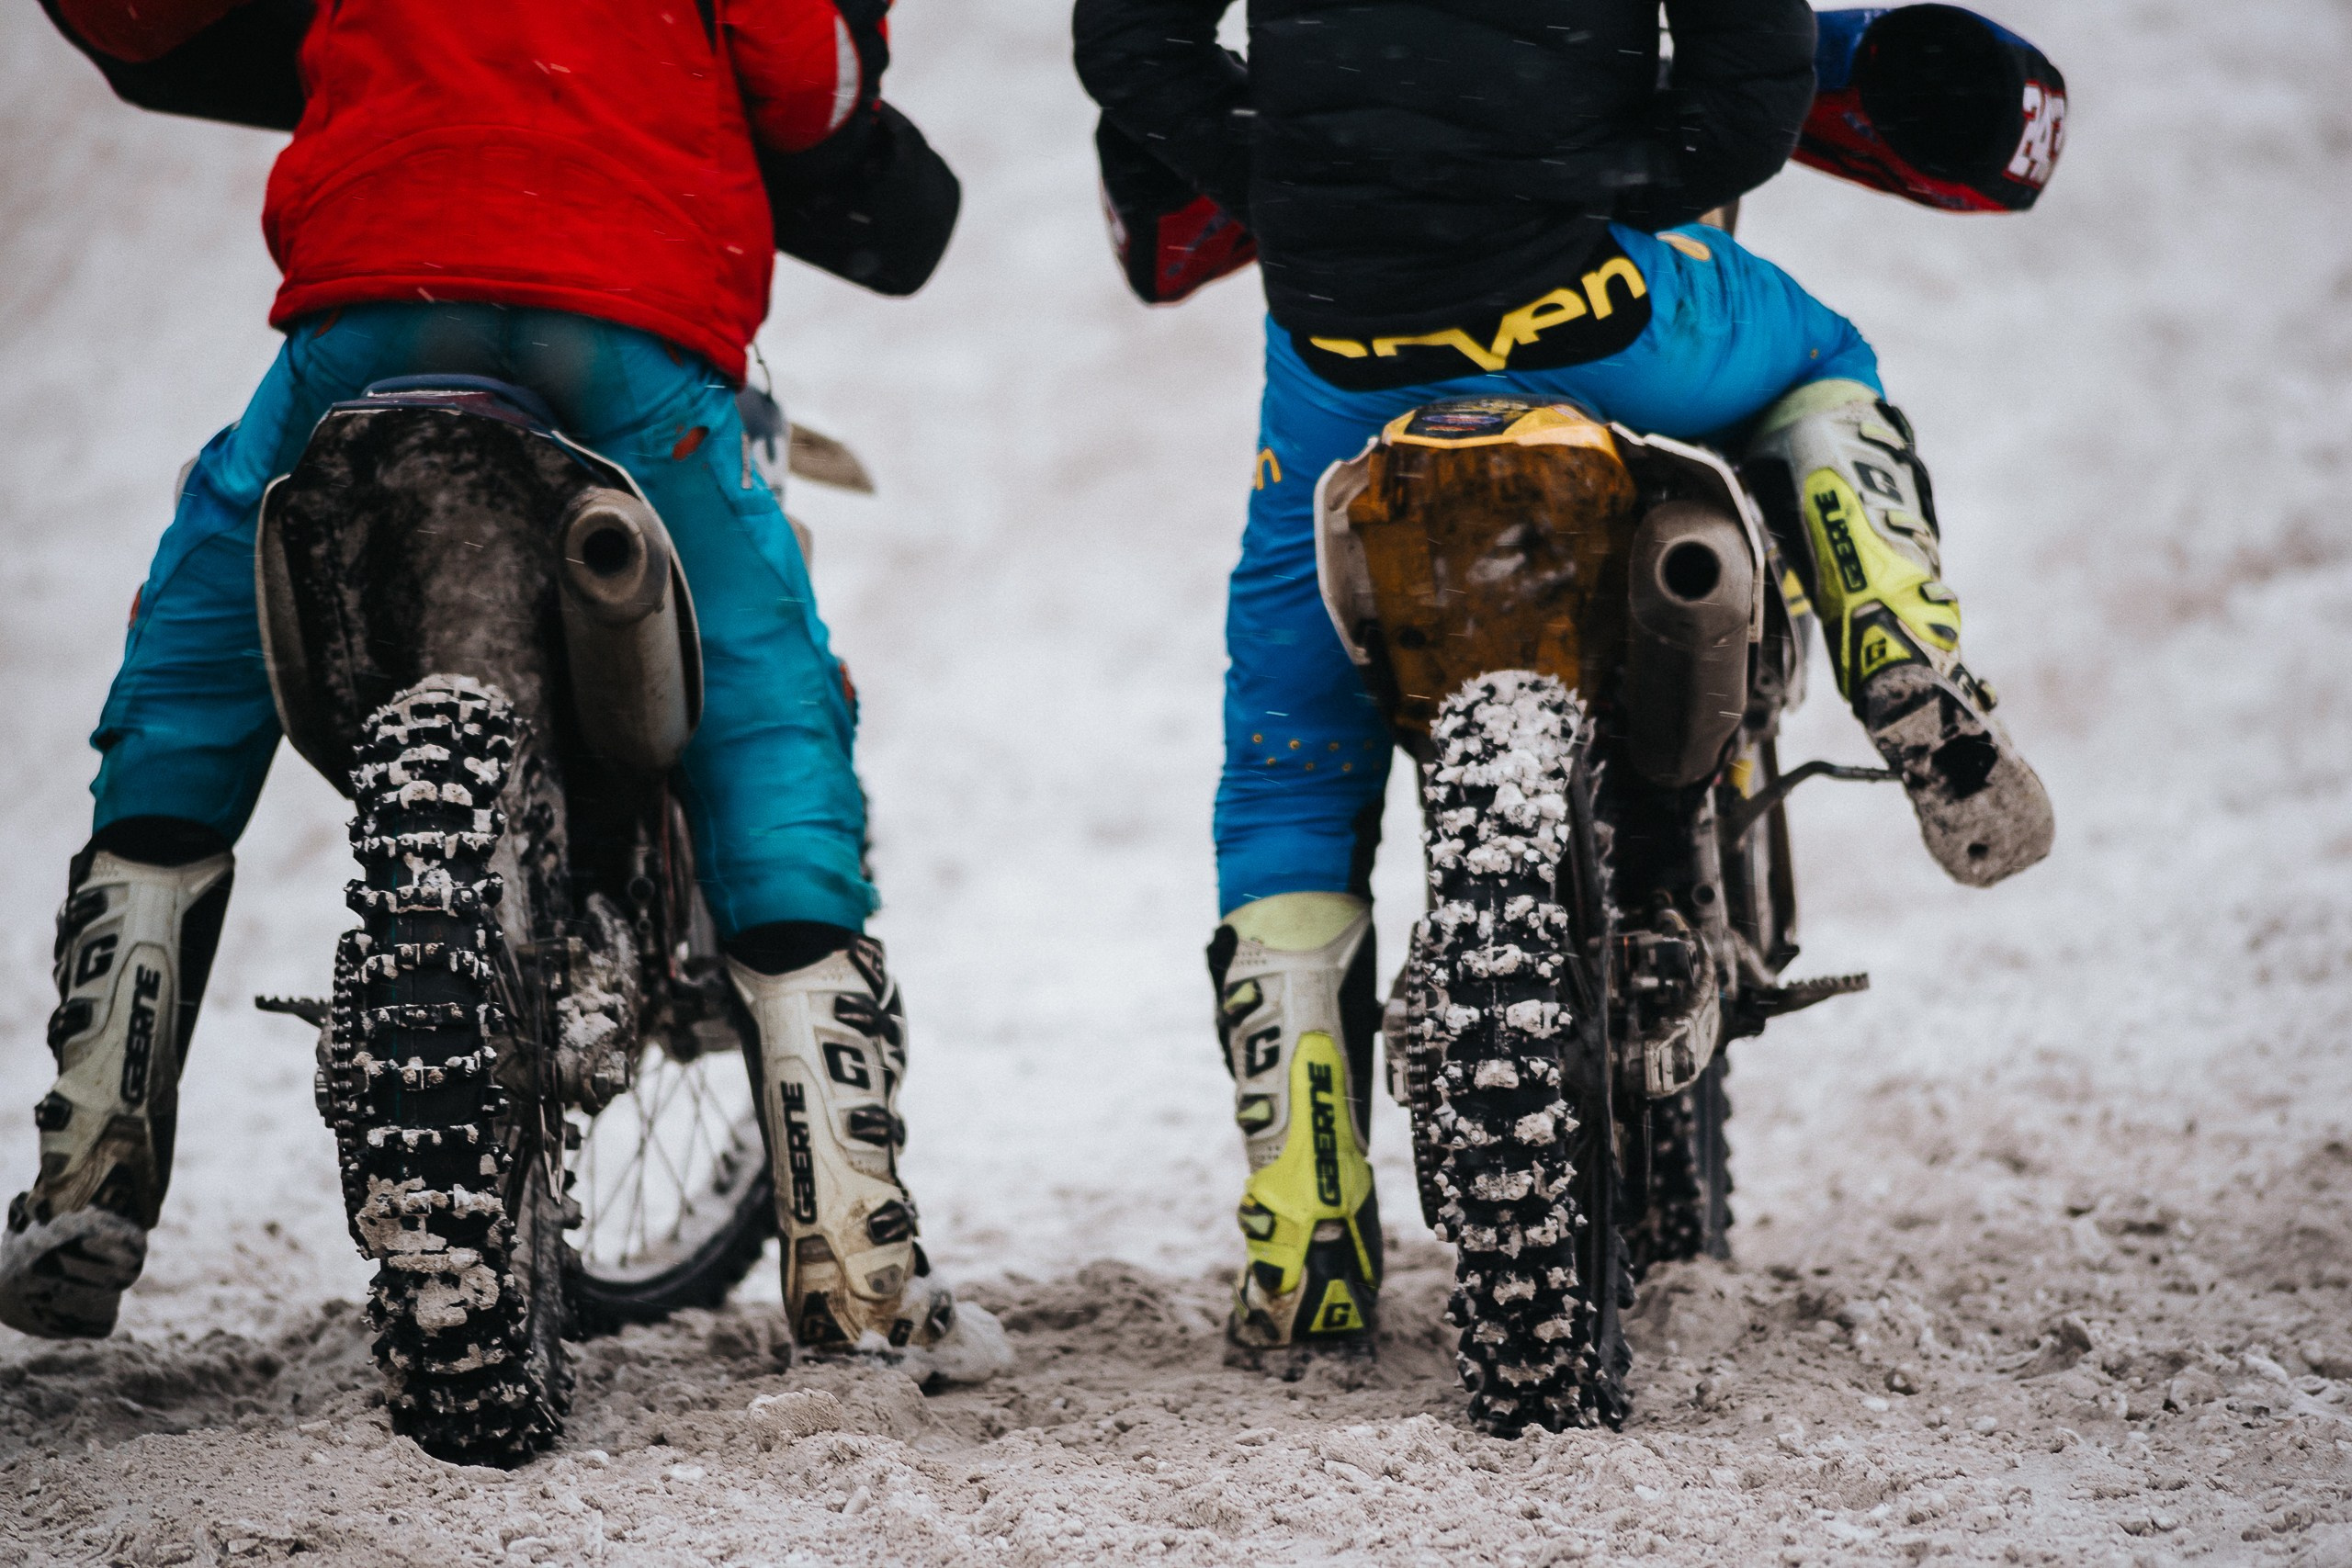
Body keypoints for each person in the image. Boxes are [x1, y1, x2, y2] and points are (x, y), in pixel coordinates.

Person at [1074, 0, 2053, 1358]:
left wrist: (1289, 180)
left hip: (1346, 339)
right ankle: (1897, 645)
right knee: (1825, 360)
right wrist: (1627, 171)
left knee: (1285, 756)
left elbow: (1127, 44)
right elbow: (1757, 70)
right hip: (1585, 299)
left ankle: (1305, 1237)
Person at [4, 0, 956, 1357]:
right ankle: (858, 1254)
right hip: (623, 331)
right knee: (767, 714)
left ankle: (88, 1167)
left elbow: (141, 22)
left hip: (375, 316)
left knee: (193, 661)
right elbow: (810, 81)